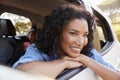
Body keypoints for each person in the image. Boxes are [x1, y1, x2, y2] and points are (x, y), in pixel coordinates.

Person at [13, 3, 120, 80]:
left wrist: (84, 59)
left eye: (85, 35)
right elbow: (20, 73)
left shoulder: (89, 53)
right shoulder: (38, 50)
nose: (80, 42)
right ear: (57, 33)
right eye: (73, 33)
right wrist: (65, 63)